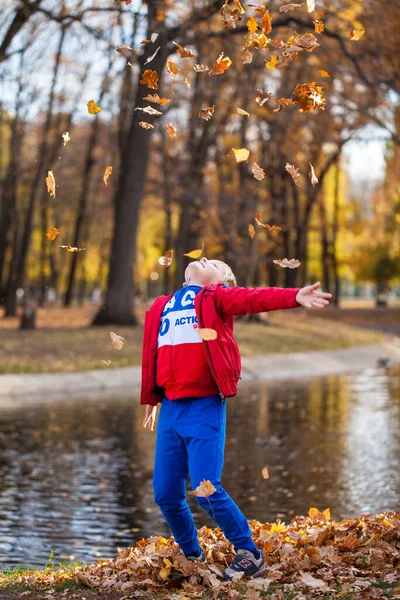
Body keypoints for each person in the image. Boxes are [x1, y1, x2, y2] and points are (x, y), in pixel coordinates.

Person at [141, 257, 332, 580]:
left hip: (203, 407)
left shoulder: (215, 297)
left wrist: (293, 296)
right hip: (171, 409)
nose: (203, 258)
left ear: (222, 281)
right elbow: (152, 354)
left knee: (205, 488)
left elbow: (254, 299)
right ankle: (191, 554)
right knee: (164, 493)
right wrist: (151, 398)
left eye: (214, 263)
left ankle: (249, 553)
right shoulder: (164, 304)